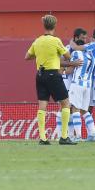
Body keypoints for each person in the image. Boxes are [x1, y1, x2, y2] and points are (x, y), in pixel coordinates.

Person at [25, 15, 80, 145]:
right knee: (65, 103)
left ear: (44, 26)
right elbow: (67, 56)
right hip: (53, 74)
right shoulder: (56, 41)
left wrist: (40, 56)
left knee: (42, 105)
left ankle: (43, 138)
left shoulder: (37, 41)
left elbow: (27, 56)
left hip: (40, 75)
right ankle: (64, 137)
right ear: (54, 26)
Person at [66, 28, 95, 141]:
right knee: (84, 111)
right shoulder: (90, 55)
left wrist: (62, 70)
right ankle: (93, 134)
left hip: (77, 84)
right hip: (87, 86)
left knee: (75, 109)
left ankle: (78, 136)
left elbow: (69, 71)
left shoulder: (75, 53)